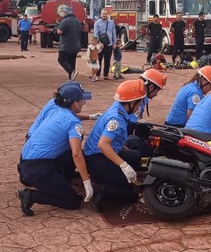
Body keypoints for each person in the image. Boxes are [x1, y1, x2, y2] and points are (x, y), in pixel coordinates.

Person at [17, 83, 93, 216]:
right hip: (37, 168)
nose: (83, 104)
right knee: (73, 202)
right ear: (75, 103)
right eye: (82, 101)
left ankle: (60, 182)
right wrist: (87, 181)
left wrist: (92, 117)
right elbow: (77, 155)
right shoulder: (73, 123)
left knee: (68, 152)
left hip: (28, 160)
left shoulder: (58, 109)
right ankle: (31, 196)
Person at [83, 80, 147, 208]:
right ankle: (100, 190)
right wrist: (123, 165)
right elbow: (103, 144)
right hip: (97, 158)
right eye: (139, 103)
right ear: (131, 102)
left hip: (104, 152)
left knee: (135, 156)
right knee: (130, 192)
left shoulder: (119, 108)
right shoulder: (116, 119)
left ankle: (115, 177)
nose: (139, 107)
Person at [26, 81, 100, 140]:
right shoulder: (56, 107)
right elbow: (67, 119)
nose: (83, 102)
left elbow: (68, 117)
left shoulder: (58, 102)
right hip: (35, 139)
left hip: (35, 138)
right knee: (74, 135)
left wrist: (90, 117)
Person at [56, 5, 82, 80]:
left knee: (61, 59)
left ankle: (71, 72)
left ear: (65, 12)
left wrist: (57, 27)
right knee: (72, 61)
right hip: (76, 45)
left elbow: (59, 31)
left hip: (66, 45)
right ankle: (71, 78)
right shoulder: (77, 20)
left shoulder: (65, 21)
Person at [93, 11, 117, 79]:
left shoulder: (111, 22)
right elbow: (95, 34)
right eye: (103, 14)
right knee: (99, 60)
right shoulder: (97, 23)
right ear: (101, 14)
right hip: (100, 45)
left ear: (108, 15)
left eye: (106, 14)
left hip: (109, 44)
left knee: (107, 60)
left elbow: (113, 33)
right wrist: (99, 43)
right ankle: (97, 75)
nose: (104, 15)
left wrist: (114, 42)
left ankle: (106, 75)